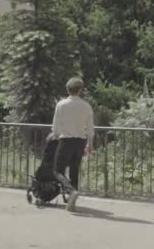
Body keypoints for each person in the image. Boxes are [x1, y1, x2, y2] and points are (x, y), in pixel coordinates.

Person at [52, 77, 94, 212]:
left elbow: (55, 127)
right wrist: (90, 144)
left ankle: (71, 191)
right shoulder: (86, 106)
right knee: (74, 171)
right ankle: (72, 203)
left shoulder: (61, 104)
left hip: (66, 141)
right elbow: (90, 128)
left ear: (67, 89)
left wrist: (57, 136)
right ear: (80, 90)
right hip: (80, 142)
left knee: (58, 171)